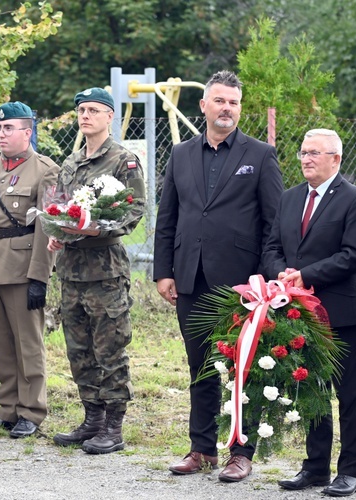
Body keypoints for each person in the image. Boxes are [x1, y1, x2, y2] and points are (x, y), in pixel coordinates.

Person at [153, 70, 283, 481]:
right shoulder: (180, 154)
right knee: (201, 369)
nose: (227, 108)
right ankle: (202, 448)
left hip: (242, 284)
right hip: (190, 277)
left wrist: (265, 280)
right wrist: (163, 272)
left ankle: (242, 452)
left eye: (234, 102)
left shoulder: (260, 155)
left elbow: (273, 223)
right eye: (221, 101)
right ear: (204, 105)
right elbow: (168, 217)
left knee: (244, 369)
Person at [262, 129, 356, 496]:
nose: (306, 158)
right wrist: (280, 271)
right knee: (310, 391)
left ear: (336, 159)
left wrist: (305, 275)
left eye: (315, 153)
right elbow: (271, 246)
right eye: (303, 152)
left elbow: (355, 255)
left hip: (342, 313)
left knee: (350, 394)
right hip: (298, 314)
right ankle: (315, 469)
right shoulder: (290, 198)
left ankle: (351, 472)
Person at [48, 87, 145, 454]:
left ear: (110, 117)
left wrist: (98, 228)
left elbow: (133, 211)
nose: (85, 115)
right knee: (79, 350)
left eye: (93, 110)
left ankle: (114, 427)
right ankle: (93, 419)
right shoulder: (71, 163)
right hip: (71, 270)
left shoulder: (123, 160)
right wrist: (56, 234)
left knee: (110, 349)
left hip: (104, 271)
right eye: (81, 110)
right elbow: (59, 207)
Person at [0, 102, 59, 438]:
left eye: (9, 128)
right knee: (1, 343)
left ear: (27, 132)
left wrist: (40, 276)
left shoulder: (45, 169)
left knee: (28, 343)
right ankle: (7, 409)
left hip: (22, 267)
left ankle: (31, 411)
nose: (1, 134)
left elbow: (48, 227)